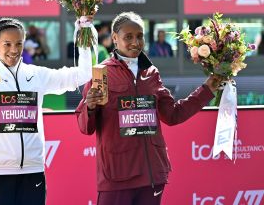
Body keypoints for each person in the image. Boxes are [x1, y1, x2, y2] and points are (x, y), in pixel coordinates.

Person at [74, 12, 223, 205]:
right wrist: (90, 107)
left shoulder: (151, 73)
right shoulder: (101, 73)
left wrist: (207, 89)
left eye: (139, 36)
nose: (135, 42)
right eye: (128, 37)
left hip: (152, 176)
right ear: (114, 38)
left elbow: (173, 114)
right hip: (117, 177)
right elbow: (85, 127)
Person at [0, 18, 92, 205]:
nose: (14, 50)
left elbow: (83, 75)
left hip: (33, 171)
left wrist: (84, 33)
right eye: (7, 44)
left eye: (19, 43)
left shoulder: (37, 75)